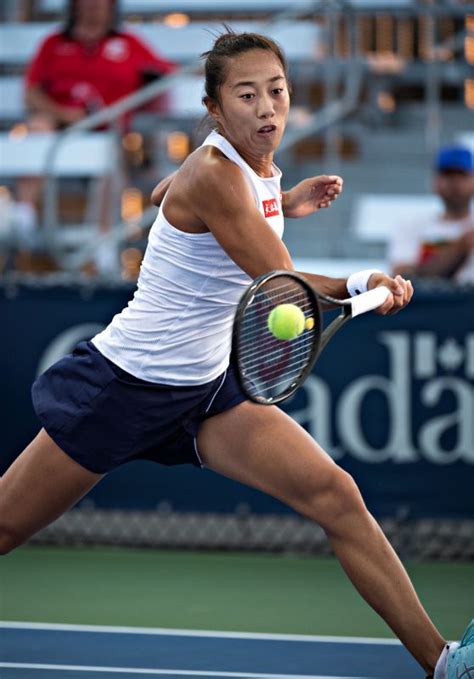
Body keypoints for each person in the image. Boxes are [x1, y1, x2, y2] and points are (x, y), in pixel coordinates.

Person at [0, 31, 471, 679]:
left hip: (206, 390)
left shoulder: (248, 170)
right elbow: (285, 288)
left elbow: (166, 193)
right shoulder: (218, 176)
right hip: (125, 385)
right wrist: (367, 282)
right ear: (215, 109)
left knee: (335, 493)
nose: (265, 107)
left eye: (276, 91)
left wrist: (283, 203)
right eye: (245, 95)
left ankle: (444, 663)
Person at [14, 0, 177, 262]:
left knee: (108, 154)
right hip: (60, 127)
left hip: (109, 131)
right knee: (37, 127)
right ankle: (24, 212)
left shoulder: (129, 43)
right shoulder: (53, 43)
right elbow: (31, 92)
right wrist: (63, 114)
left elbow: (164, 77)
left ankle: (103, 242)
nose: (93, 5)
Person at [389, 145, 474, 283]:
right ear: (436, 181)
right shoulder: (412, 225)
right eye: (448, 175)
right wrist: (460, 247)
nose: (455, 183)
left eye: (462, 175)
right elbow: (401, 276)